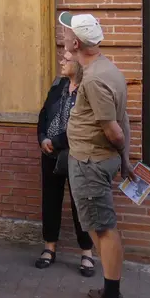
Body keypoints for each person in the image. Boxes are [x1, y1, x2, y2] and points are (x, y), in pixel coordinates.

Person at [59, 12, 135, 298]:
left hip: (91, 162)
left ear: (76, 43)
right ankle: (109, 288)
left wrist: (122, 154)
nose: (63, 38)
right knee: (97, 225)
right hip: (92, 160)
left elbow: (114, 130)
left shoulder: (93, 79)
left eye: (67, 35)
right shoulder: (107, 69)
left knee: (103, 228)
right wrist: (124, 159)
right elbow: (122, 119)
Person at [35, 51, 94, 276]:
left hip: (77, 153)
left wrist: (56, 141)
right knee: (50, 200)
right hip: (50, 153)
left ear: (78, 64)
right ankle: (49, 247)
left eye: (66, 59)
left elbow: (86, 126)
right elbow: (43, 114)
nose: (61, 61)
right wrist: (42, 138)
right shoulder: (58, 85)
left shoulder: (88, 89)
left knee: (81, 202)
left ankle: (87, 252)